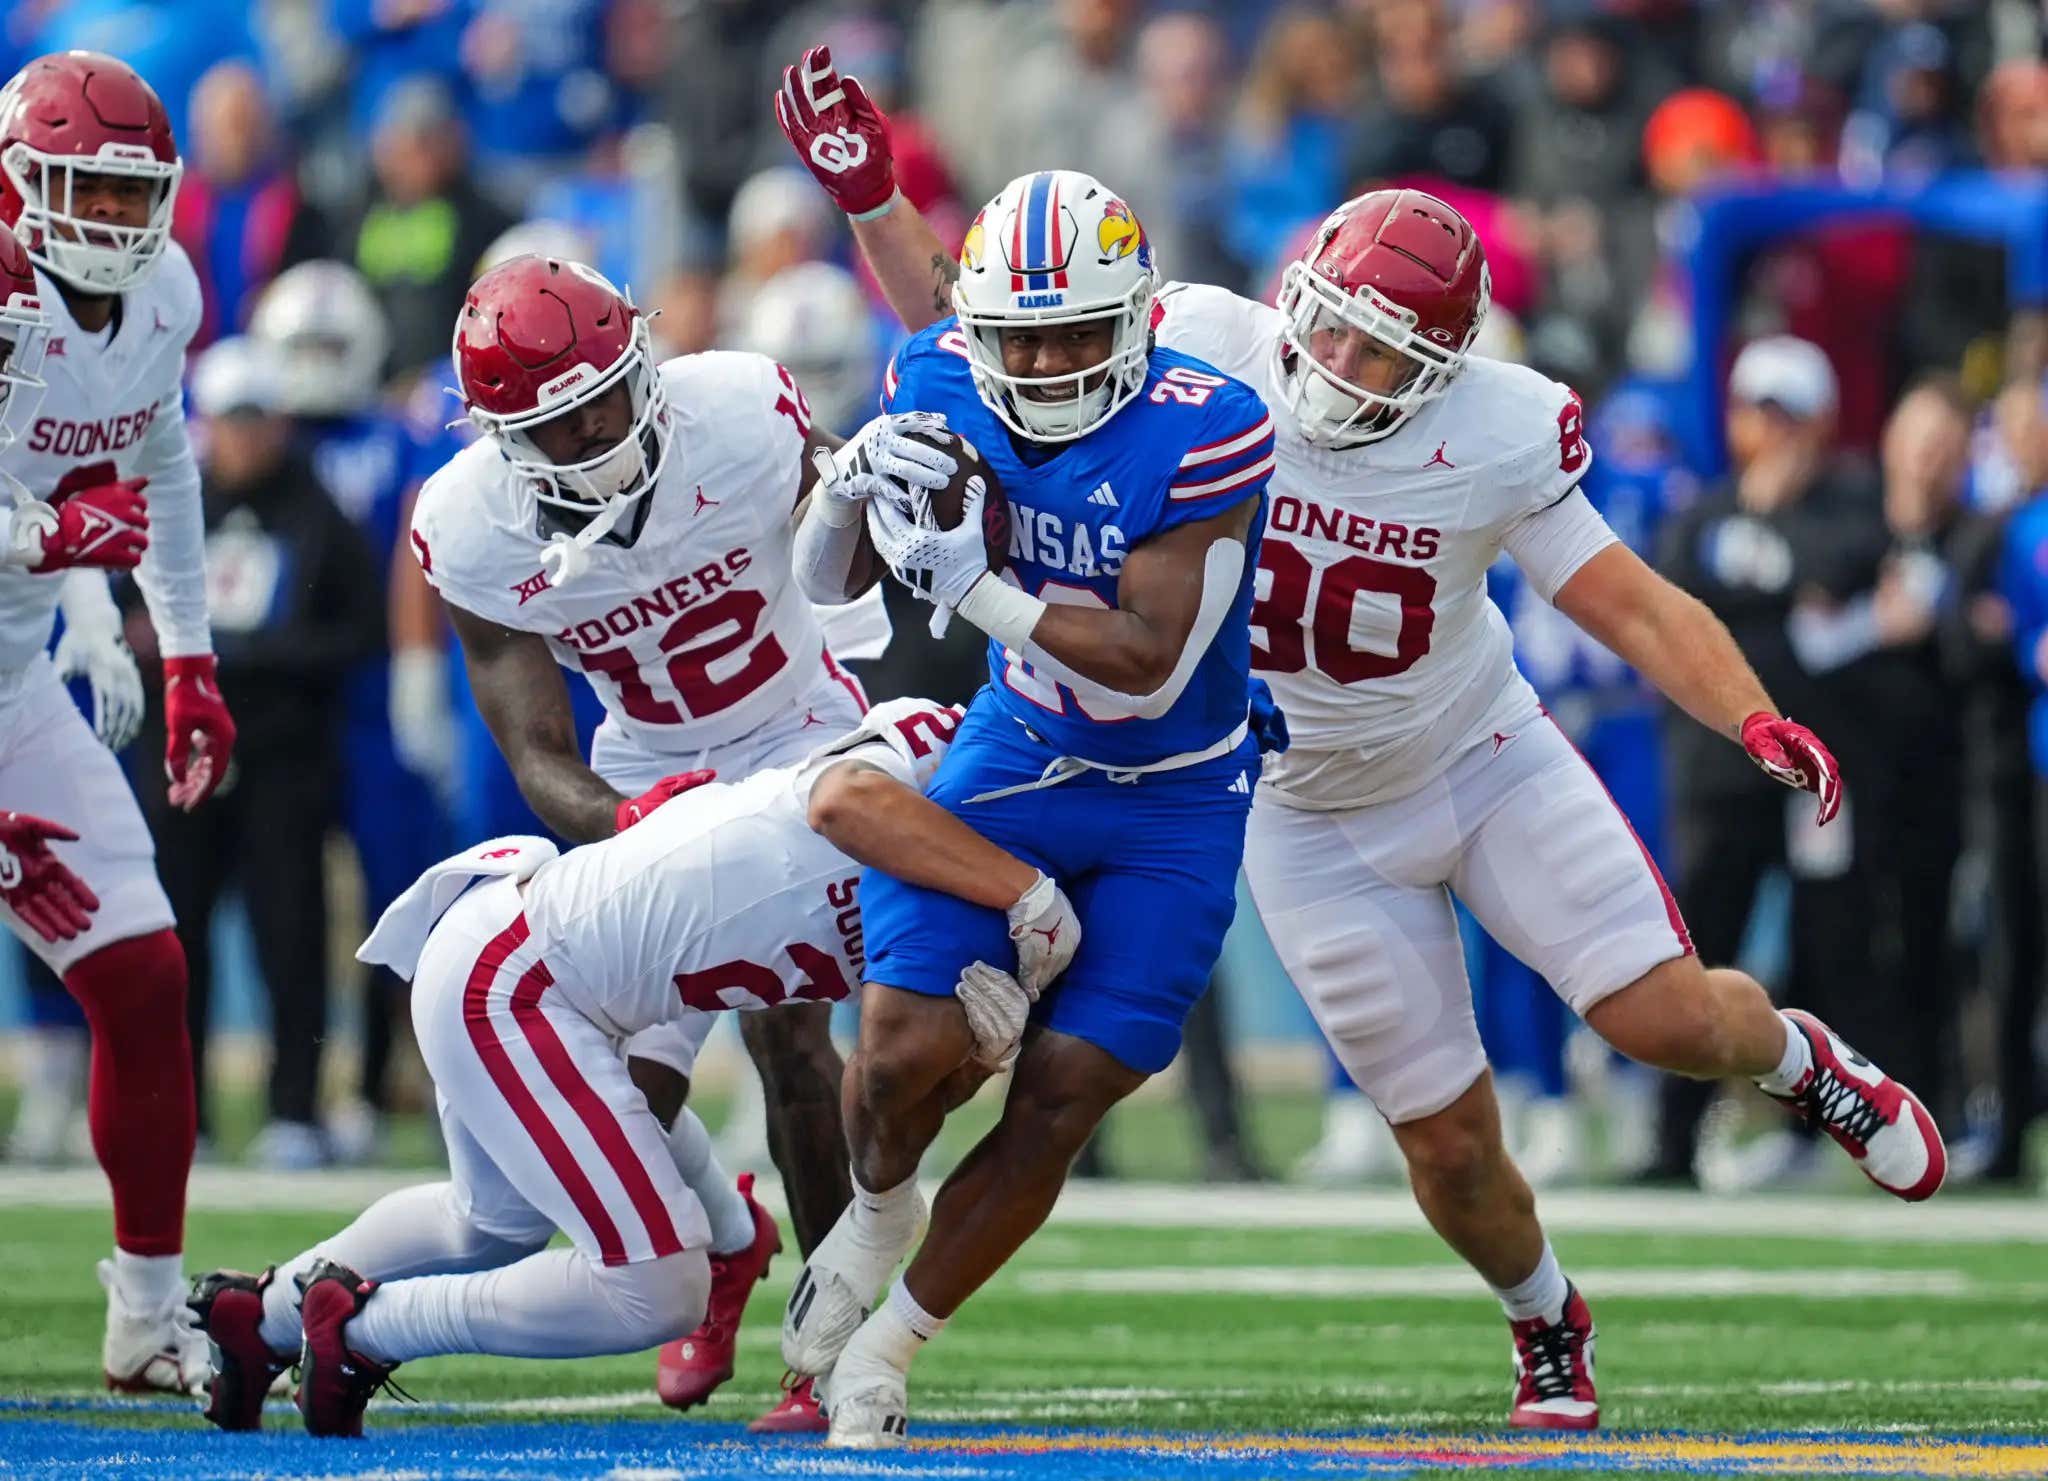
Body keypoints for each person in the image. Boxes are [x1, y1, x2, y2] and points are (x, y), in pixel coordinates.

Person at [779, 49, 1947, 1433]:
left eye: (1385, 349)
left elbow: (1628, 597)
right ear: (1297, 300)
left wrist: (1752, 711)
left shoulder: (1503, 426)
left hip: (1475, 749)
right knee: (1448, 1150)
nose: (1342, 365)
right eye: (1330, 329)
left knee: (1669, 1021)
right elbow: (983, 330)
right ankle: (1545, 1320)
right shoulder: (1204, 351)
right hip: (1298, 806)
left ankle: (1804, 1061)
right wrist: (876, 198)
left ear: (1450, 358)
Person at [187, 697, 1076, 1438]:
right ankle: (369, 1328)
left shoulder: (983, 862)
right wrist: (1025, 895)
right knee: (658, 1286)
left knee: (488, 1225)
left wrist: (983, 1049)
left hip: (533, 976)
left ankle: (256, 1320)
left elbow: (883, 1079)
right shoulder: (934, 752)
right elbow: (843, 799)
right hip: (518, 980)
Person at [782, 129, 1281, 1447]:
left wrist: (977, 586)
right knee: (898, 1049)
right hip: (1017, 745)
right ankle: (880, 1203)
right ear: (977, 327)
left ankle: (886, 1353)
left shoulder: (1210, 425)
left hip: (1174, 788)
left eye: (1076, 339)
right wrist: (841, 502)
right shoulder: (936, 371)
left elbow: (1149, 666)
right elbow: (834, 613)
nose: (1047, 365)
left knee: (1062, 1087)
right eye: (1023, 339)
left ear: (1138, 321)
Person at [403, 252, 924, 1432]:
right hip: (645, 767)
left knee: (794, 1037)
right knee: (615, 1081)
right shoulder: (467, 522)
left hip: (801, 727)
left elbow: (841, 548)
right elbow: (540, 755)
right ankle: (727, 1242)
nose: (594, 427)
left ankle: (823, 1354)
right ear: (496, 434)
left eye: (605, 391)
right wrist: (643, 823)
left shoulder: (740, 405)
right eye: (557, 416)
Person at [0, 51, 237, 1395]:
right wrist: (48, 530)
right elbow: (70, 495)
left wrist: (188, 652)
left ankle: (146, 1314)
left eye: (126, 189)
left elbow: (157, 459)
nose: (104, 215)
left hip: (10, 676)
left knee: (143, 974)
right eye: (78, 184)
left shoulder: (162, 293)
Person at [135, 336, 382, 1166]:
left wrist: (250, 657)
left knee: (291, 933)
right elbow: (128, 616)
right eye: (228, 420)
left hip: (283, 757)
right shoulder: (175, 506)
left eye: (255, 418)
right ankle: (183, 1113)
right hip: (184, 758)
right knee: (176, 937)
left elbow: (358, 629)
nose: (242, 437)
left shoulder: (317, 509)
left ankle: (293, 1110)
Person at [248, 260, 449, 1162]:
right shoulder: (257, 432)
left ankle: (371, 1080)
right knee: (285, 905)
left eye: (333, 345)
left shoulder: (398, 434)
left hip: (370, 698)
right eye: (305, 346)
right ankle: (298, 1090)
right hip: (290, 706)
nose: (320, 363)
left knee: (388, 898)